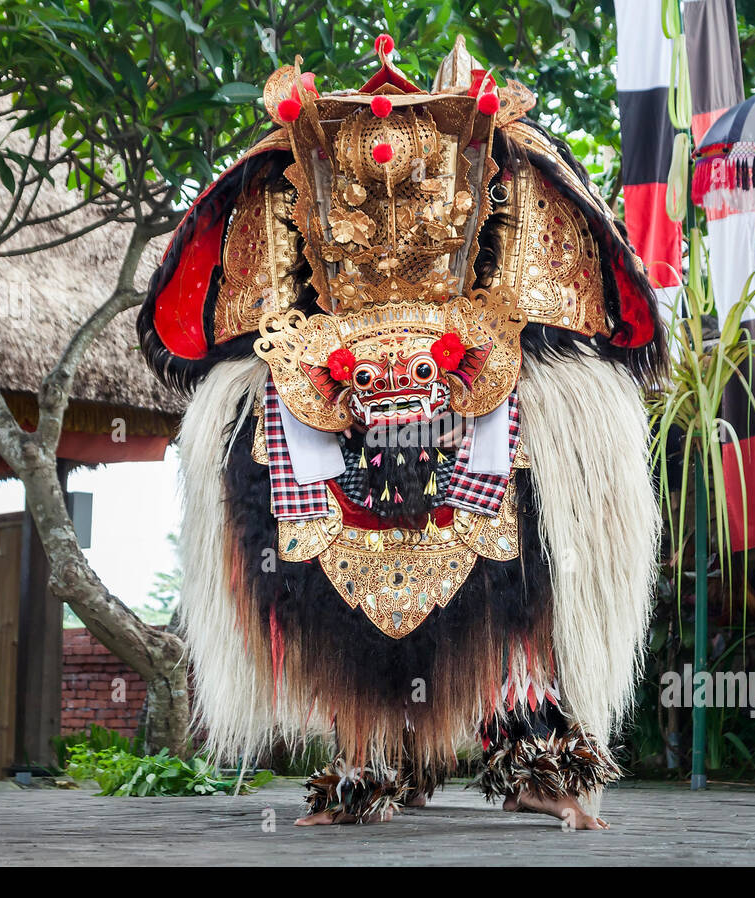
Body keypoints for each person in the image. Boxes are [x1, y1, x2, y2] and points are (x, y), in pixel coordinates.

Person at [137, 34, 667, 828]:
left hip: (486, 387)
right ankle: (366, 759)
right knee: (302, 544)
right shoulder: (279, 179)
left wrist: (491, 370)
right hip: (328, 393)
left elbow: (552, 313)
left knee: (527, 554)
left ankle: (538, 750)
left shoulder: (516, 172)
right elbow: (265, 323)